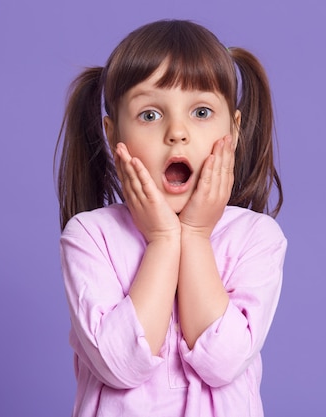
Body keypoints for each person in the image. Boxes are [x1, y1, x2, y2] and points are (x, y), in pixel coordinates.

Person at [56, 19, 287, 417]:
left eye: (200, 111)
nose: (177, 132)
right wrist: (164, 239)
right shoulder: (91, 236)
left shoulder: (256, 237)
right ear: (113, 136)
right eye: (149, 115)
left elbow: (223, 361)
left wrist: (195, 235)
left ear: (232, 130)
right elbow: (119, 364)